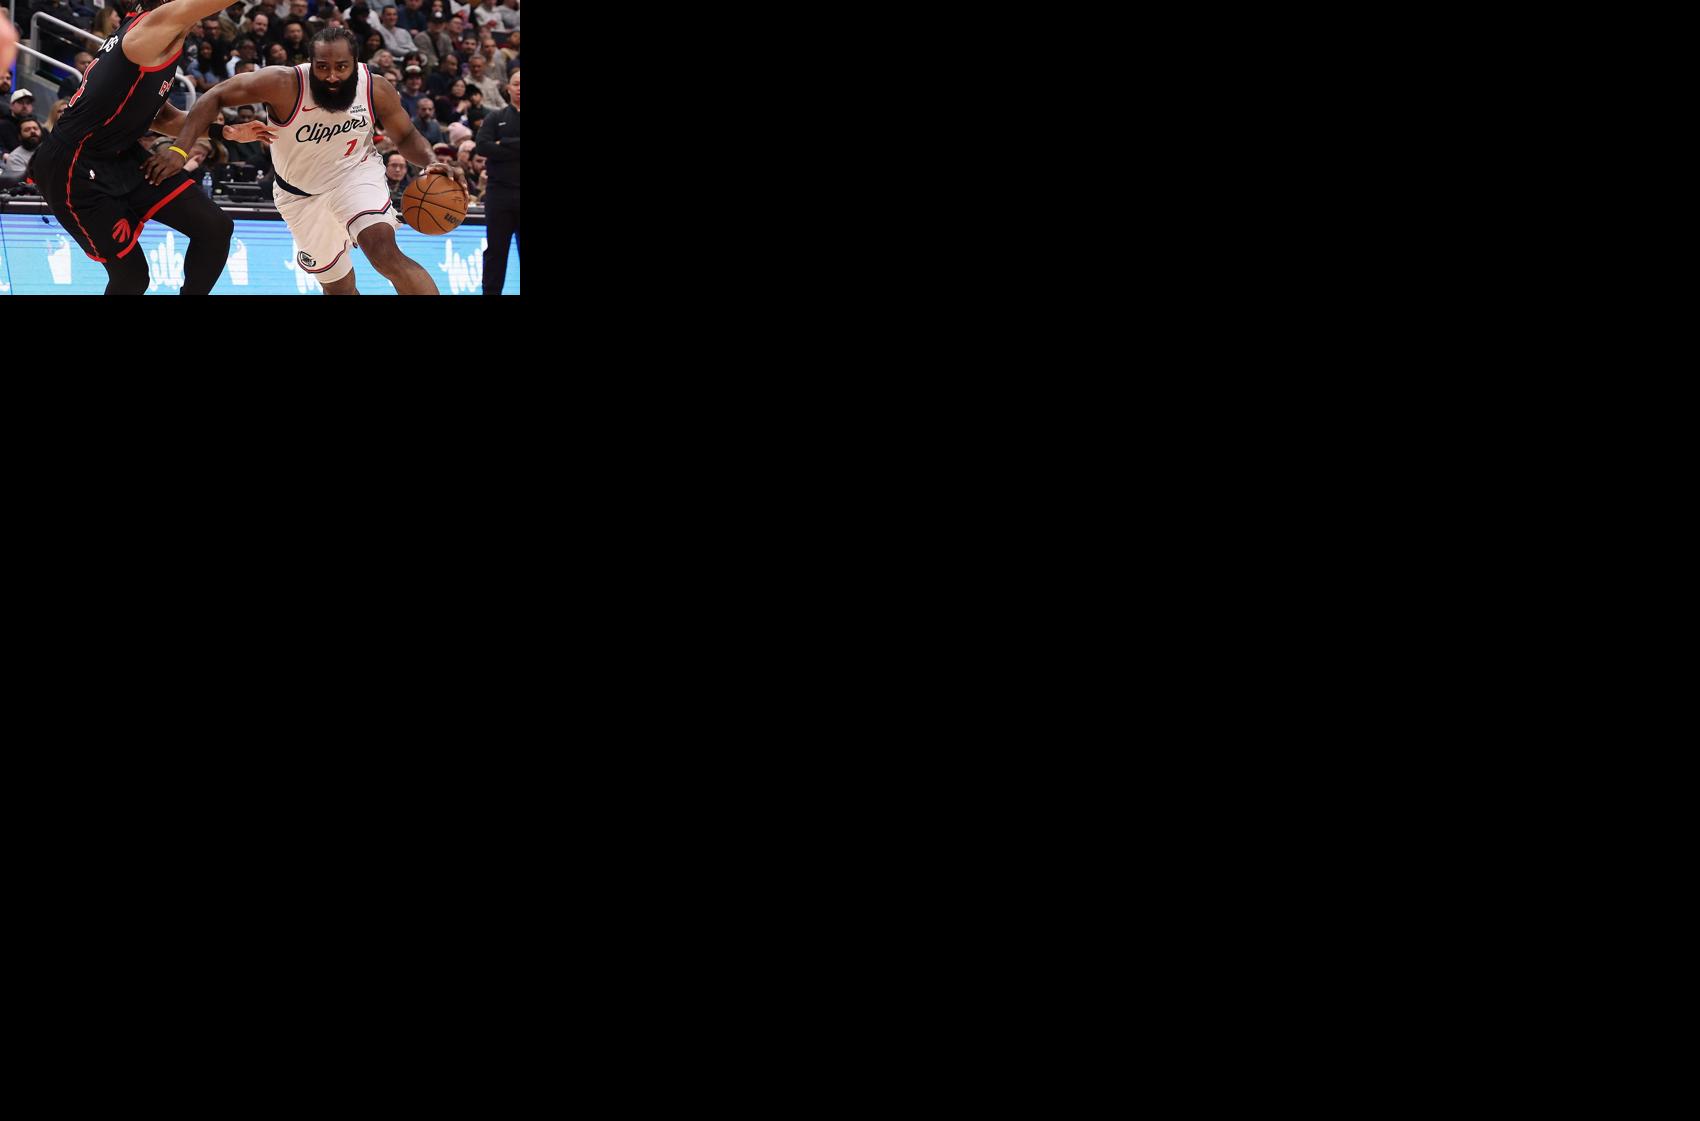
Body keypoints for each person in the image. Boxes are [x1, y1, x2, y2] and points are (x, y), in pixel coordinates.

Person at [155, 23, 467, 294]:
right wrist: (181, 149)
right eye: (322, 67)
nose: (332, 76)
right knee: (339, 288)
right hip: (298, 195)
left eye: (341, 67)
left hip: (355, 175)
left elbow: (406, 136)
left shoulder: (375, 88)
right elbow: (215, 96)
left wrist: (429, 160)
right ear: (309, 63)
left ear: (355, 63)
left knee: (383, 251)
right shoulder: (283, 84)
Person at [28, 0, 270, 293]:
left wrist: (225, 132)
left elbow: (163, 118)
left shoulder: (159, 37)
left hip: (120, 154)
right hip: (74, 166)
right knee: (132, 278)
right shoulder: (147, 29)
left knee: (215, 227)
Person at [474, 67, 514, 294]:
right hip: (499, 194)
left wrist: (504, 143)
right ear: (508, 88)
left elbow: (494, 147)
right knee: (496, 252)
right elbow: (482, 146)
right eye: (516, 84)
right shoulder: (495, 117)